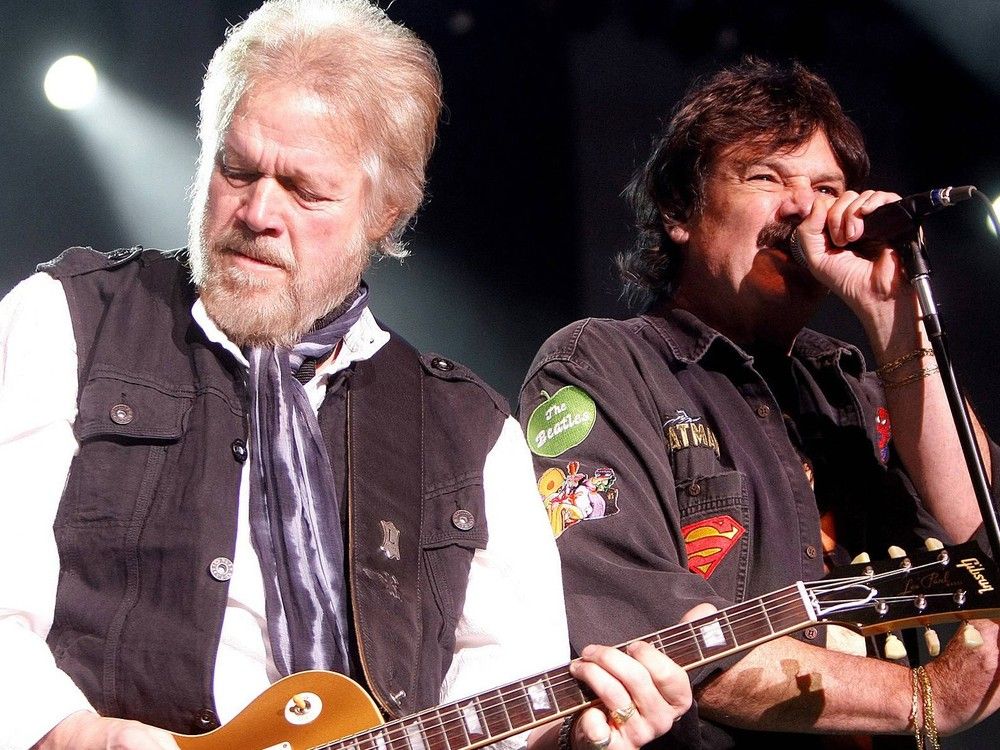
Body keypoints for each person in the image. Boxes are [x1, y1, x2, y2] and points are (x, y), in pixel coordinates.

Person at [0, 2, 694, 748]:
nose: (258, 211)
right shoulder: (65, 320)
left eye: (305, 191)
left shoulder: (471, 432)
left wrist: (577, 739)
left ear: (385, 214)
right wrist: (71, 734)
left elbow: (508, 688)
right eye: (237, 169)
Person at [518, 58, 1000, 748]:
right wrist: (921, 696)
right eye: (767, 178)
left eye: (828, 188)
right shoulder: (601, 367)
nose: (805, 208)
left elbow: (985, 534)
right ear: (680, 211)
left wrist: (896, 323)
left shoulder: (860, 391)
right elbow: (651, 635)